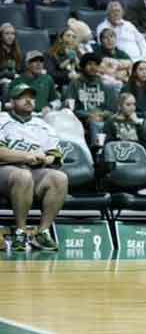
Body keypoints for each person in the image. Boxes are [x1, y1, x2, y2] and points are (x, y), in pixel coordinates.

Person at [0, 83, 67, 252]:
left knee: (59, 178)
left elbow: (56, 154)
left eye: (31, 97)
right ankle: (20, 232)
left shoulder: (43, 125)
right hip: (5, 171)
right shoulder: (2, 119)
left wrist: (46, 158)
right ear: (12, 102)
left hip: (34, 170)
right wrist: (25, 156)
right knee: (23, 175)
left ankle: (42, 232)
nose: (28, 100)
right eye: (23, 97)